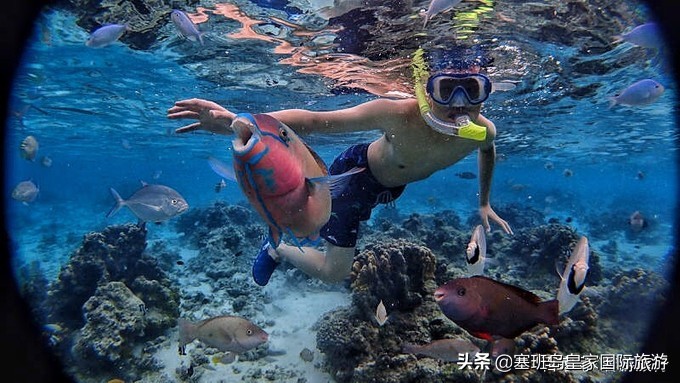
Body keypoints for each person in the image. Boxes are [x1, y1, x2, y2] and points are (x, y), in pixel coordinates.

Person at [167, 47, 514, 286]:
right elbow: (316, 121)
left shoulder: (484, 130)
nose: (459, 105)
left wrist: (484, 201)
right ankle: (276, 247)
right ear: (426, 92)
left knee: (321, 232)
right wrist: (240, 123)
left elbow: (488, 151)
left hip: (389, 187)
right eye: (446, 91)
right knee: (334, 272)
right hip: (355, 178)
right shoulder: (398, 114)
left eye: (472, 90)